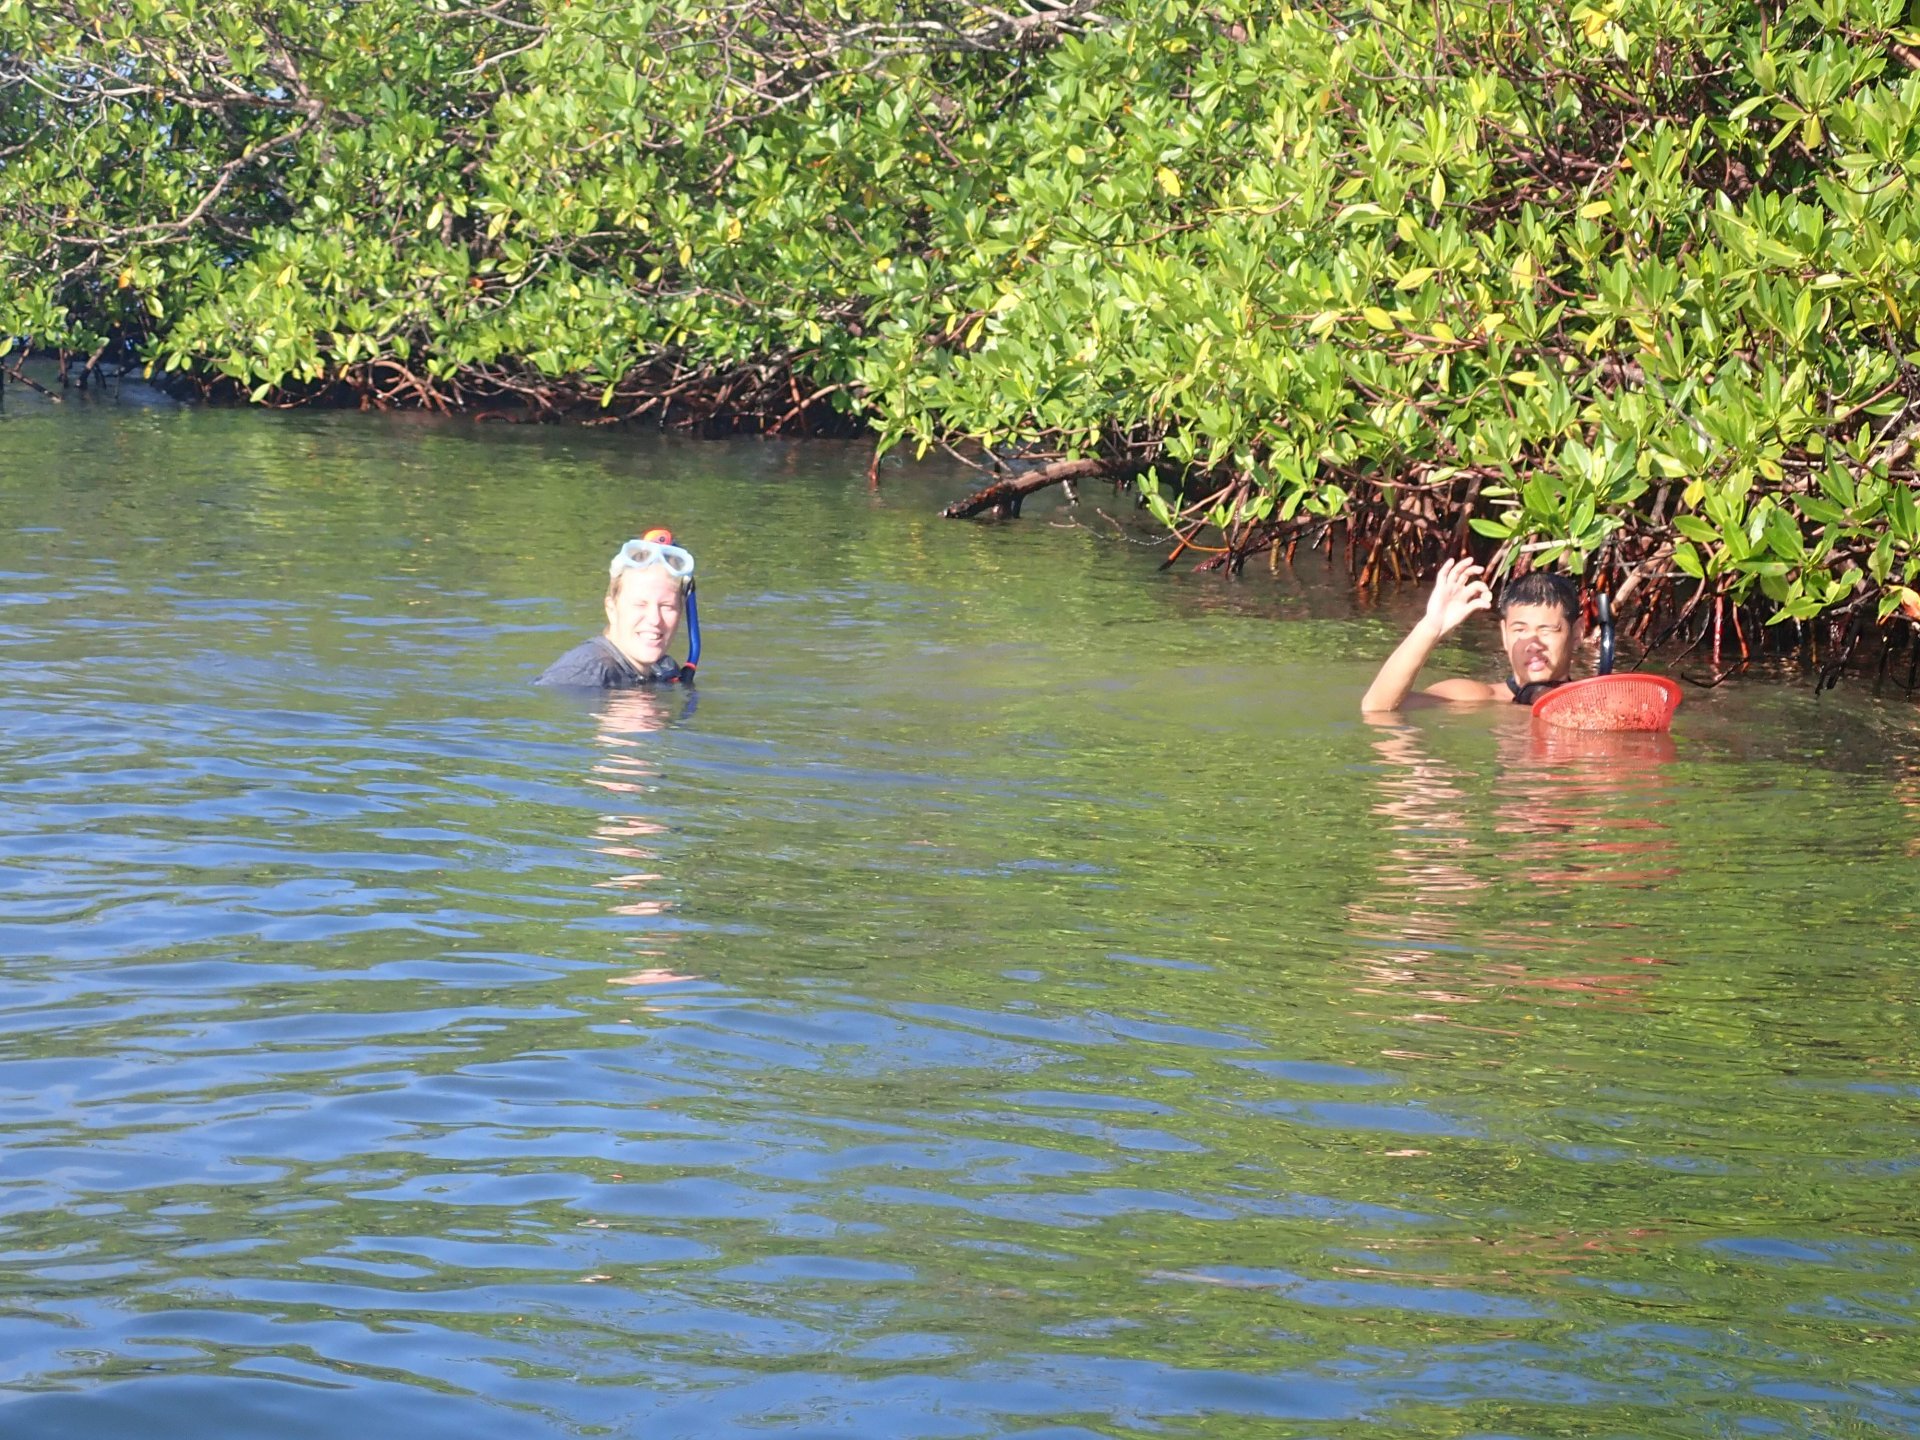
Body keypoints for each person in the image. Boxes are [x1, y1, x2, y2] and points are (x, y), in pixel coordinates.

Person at [1361, 558, 1583, 712]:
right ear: (1504, 635)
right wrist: (1431, 627)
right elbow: (1378, 708)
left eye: (1547, 629)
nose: (1533, 644)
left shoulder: (1600, 699)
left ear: (1577, 634)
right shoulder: (1477, 698)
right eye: (1520, 630)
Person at [537, 531, 698, 688]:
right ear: (611, 609)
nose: (655, 619)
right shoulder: (580, 676)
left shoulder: (665, 669)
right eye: (640, 604)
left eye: (666, 606)